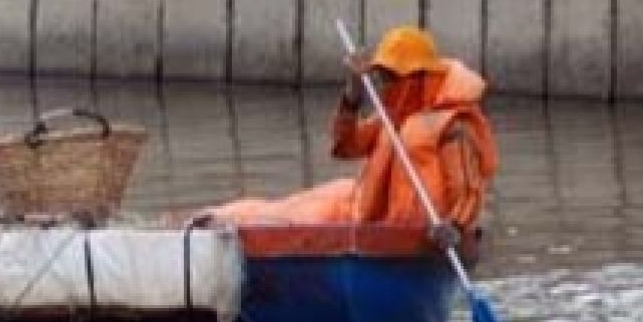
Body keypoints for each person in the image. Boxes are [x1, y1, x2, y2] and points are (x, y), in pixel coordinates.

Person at [193, 26, 498, 247]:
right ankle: (212, 221)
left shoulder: (453, 127)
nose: (385, 85)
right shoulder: (392, 117)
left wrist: (455, 226)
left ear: (420, 77)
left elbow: (468, 189)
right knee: (280, 213)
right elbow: (346, 146)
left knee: (296, 215)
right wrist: (352, 99)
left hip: (421, 235)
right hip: (361, 213)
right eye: (383, 77)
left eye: (393, 78)